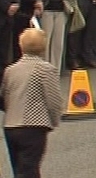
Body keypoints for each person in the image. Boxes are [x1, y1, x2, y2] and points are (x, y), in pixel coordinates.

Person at [0, 29, 62, 177]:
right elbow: (53, 100)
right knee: (29, 169)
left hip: (11, 126)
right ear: (43, 46)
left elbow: (4, 97)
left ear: (21, 46)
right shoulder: (45, 69)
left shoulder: (10, 70)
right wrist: (53, 121)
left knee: (20, 169)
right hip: (34, 125)